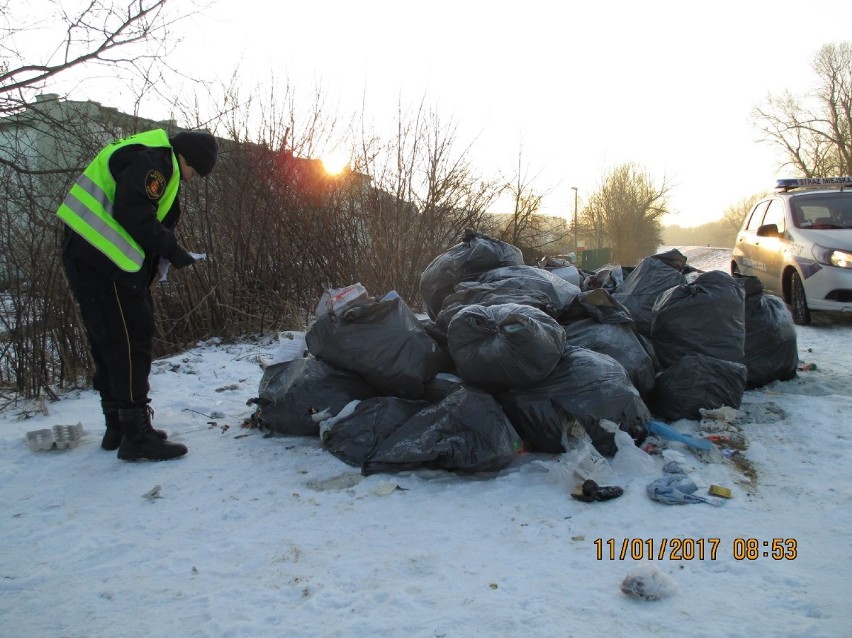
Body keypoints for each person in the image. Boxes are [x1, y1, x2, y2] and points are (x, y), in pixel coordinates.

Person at [57, 128, 218, 461]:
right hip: (107, 260)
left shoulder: (146, 151)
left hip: (85, 255)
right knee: (131, 339)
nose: (191, 179)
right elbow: (135, 214)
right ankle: (137, 436)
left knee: (106, 337)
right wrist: (172, 250)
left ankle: (117, 424)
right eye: (196, 171)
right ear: (186, 158)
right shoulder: (155, 163)